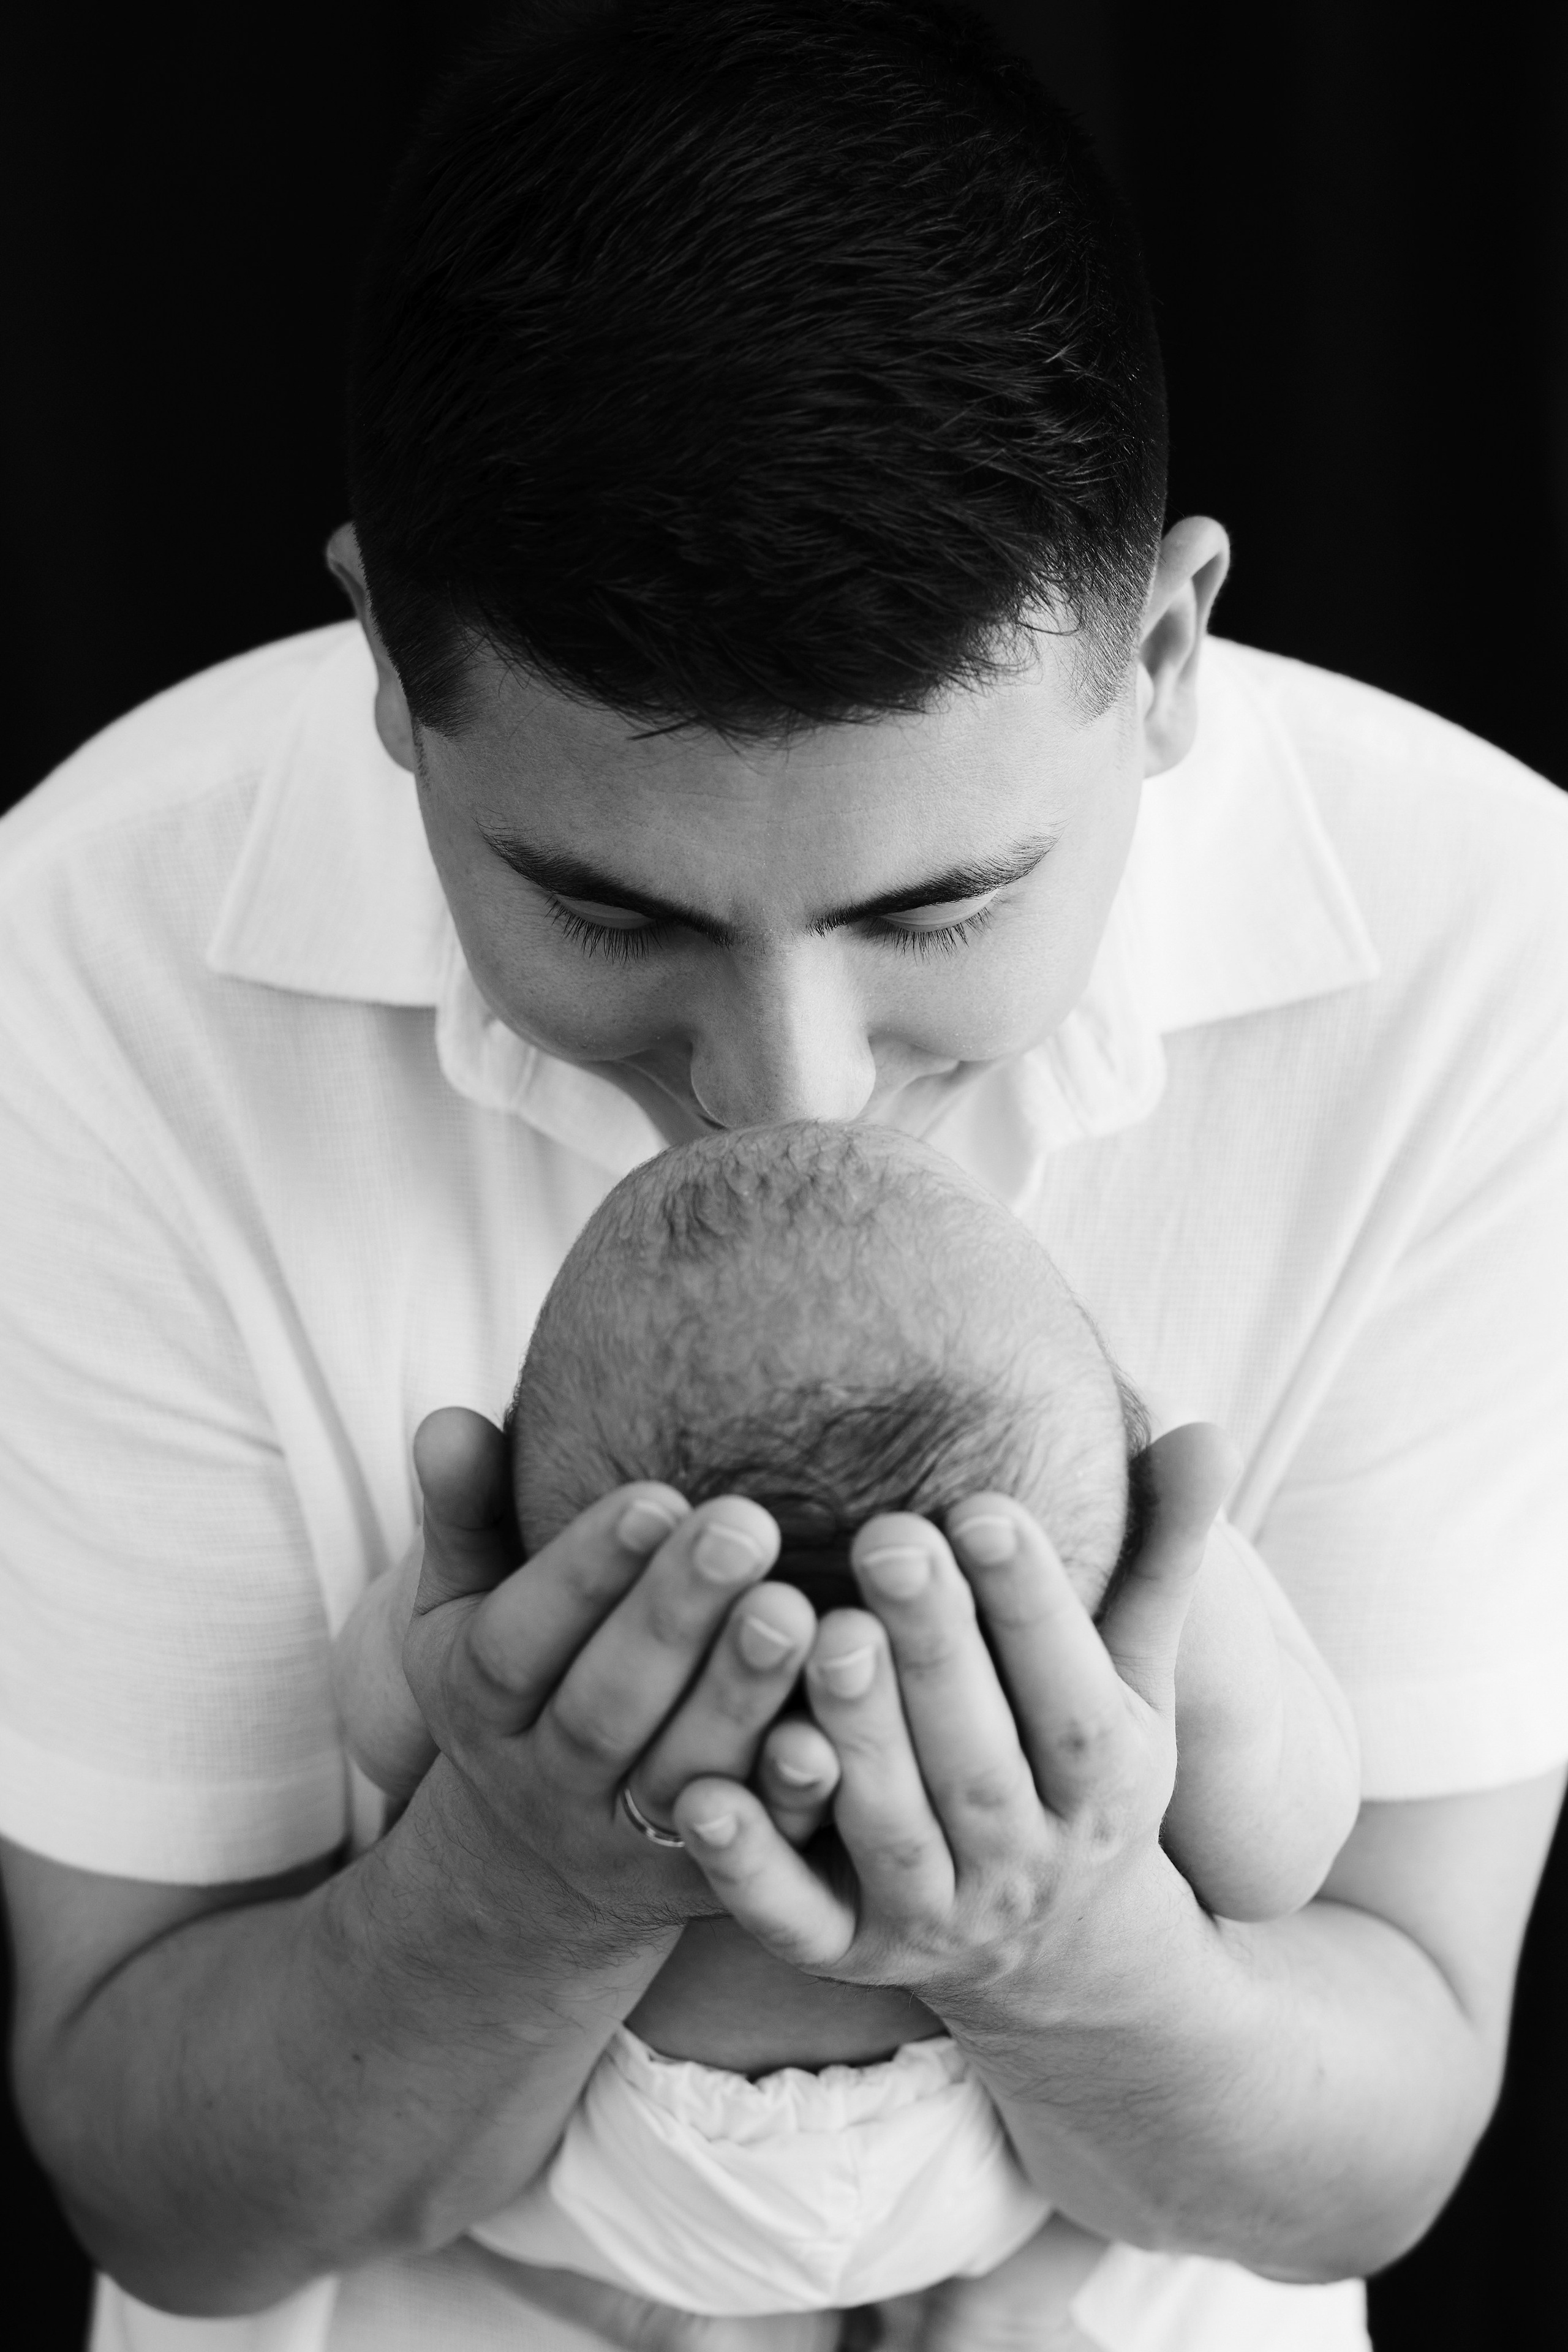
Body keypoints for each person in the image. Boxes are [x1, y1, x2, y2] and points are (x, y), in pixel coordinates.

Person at [1, 6, 1566, 2351]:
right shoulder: (89, 953)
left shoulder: (1487, 950)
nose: (792, 1092)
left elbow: (1379, 2145)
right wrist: (508, 1885)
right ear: (386, 668)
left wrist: (1065, 1943)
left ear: (1164, 652)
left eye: (937, 907)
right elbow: (169, 2201)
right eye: (606, 909)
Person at [334, 1116, 1362, 2324]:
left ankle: (680, 2311)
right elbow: (1277, 1864)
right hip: (957, 2146)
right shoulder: (1139, 1616)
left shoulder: (534, 1622)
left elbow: (382, 1742)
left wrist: (441, 1634)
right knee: (1116, 2200)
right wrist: (1200, 1590)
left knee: (474, 2211)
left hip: (637, 2158)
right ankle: (934, 2306)